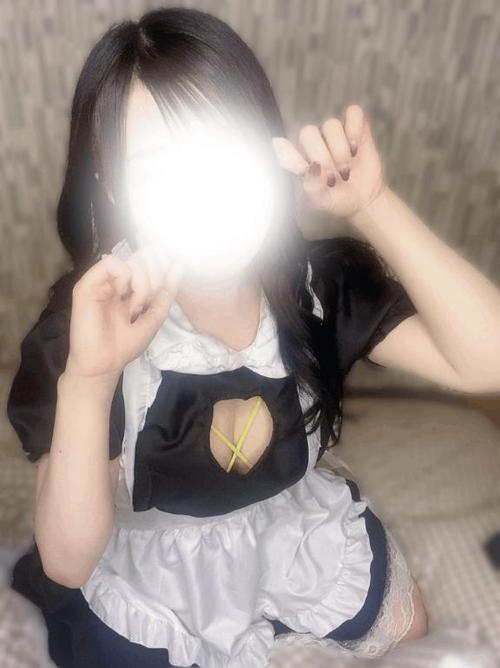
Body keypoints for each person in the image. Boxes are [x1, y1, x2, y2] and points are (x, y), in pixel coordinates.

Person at [8, 6, 500, 668]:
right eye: (159, 168)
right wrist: (91, 381)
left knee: (410, 627)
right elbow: (68, 561)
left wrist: (373, 206)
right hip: (154, 569)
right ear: (112, 187)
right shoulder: (87, 325)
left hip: (291, 533)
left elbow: (488, 361)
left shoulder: (317, 286)